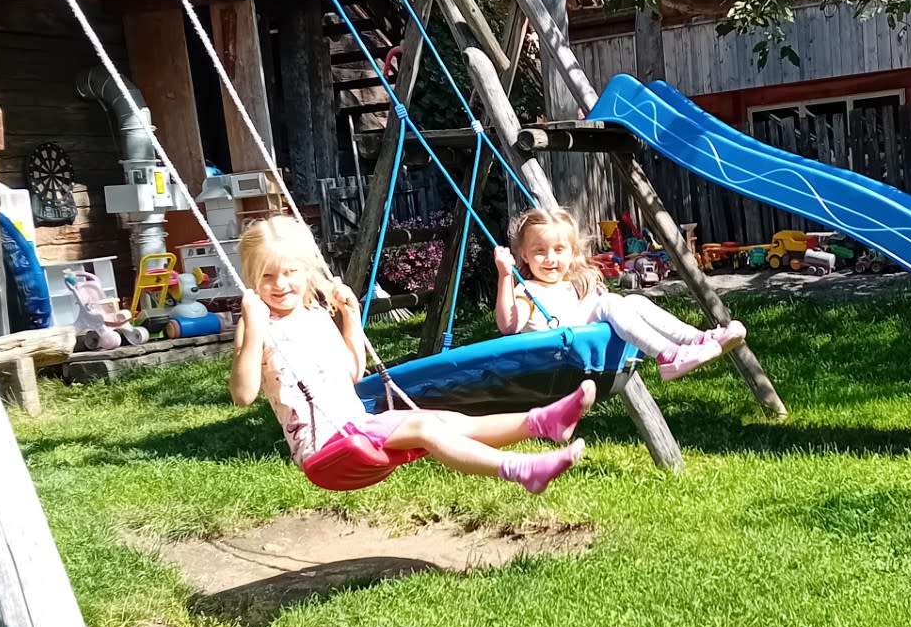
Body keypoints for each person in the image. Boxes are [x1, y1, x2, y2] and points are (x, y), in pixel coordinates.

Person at [231, 217, 591, 494]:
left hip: (356, 425)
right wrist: (252, 329)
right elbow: (243, 395)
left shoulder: (315, 314)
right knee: (425, 426)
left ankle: (541, 422)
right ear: (252, 277)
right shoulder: (258, 323)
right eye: (267, 276)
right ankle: (520, 470)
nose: (281, 284)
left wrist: (350, 318)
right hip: (325, 446)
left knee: (448, 421)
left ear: (306, 270)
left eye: (290, 272)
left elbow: (351, 373)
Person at [495, 208, 745, 381]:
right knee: (612, 302)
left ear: (571, 253)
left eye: (559, 250)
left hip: (581, 348)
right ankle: (668, 355)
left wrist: (593, 299)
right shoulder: (528, 291)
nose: (550, 258)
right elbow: (509, 326)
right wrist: (505, 275)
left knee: (634, 300)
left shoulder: (569, 284)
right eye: (539, 251)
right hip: (558, 362)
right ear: (524, 255)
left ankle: (696, 340)